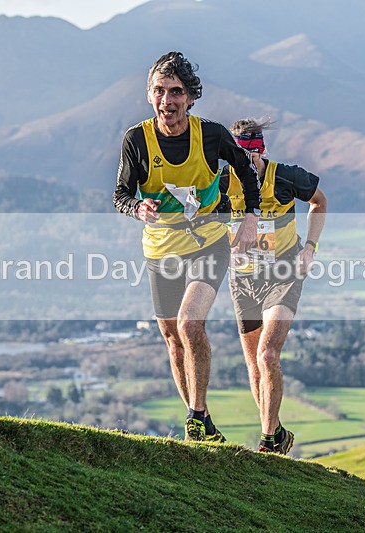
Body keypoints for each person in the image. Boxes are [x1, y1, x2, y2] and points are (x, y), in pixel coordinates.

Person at [113, 51, 261, 442]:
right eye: (159, 91)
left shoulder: (211, 135)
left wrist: (249, 218)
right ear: (149, 96)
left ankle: (195, 418)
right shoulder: (136, 140)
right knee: (172, 338)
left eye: (175, 91)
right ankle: (204, 421)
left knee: (190, 323)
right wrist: (136, 207)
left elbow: (247, 174)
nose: (168, 101)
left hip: (209, 242)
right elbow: (120, 195)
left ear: (190, 97)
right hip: (161, 250)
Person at [221, 117, 327, 454]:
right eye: (239, 158)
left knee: (268, 356)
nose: (246, 165)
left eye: (251, 157)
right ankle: (277, 431)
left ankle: (267, 442)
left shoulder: (286, 176)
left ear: (261, 150)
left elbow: (319, 201)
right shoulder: (220, 182)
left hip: (283, 276)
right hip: (243, 281)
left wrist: (309, 248)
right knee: (254, 366)